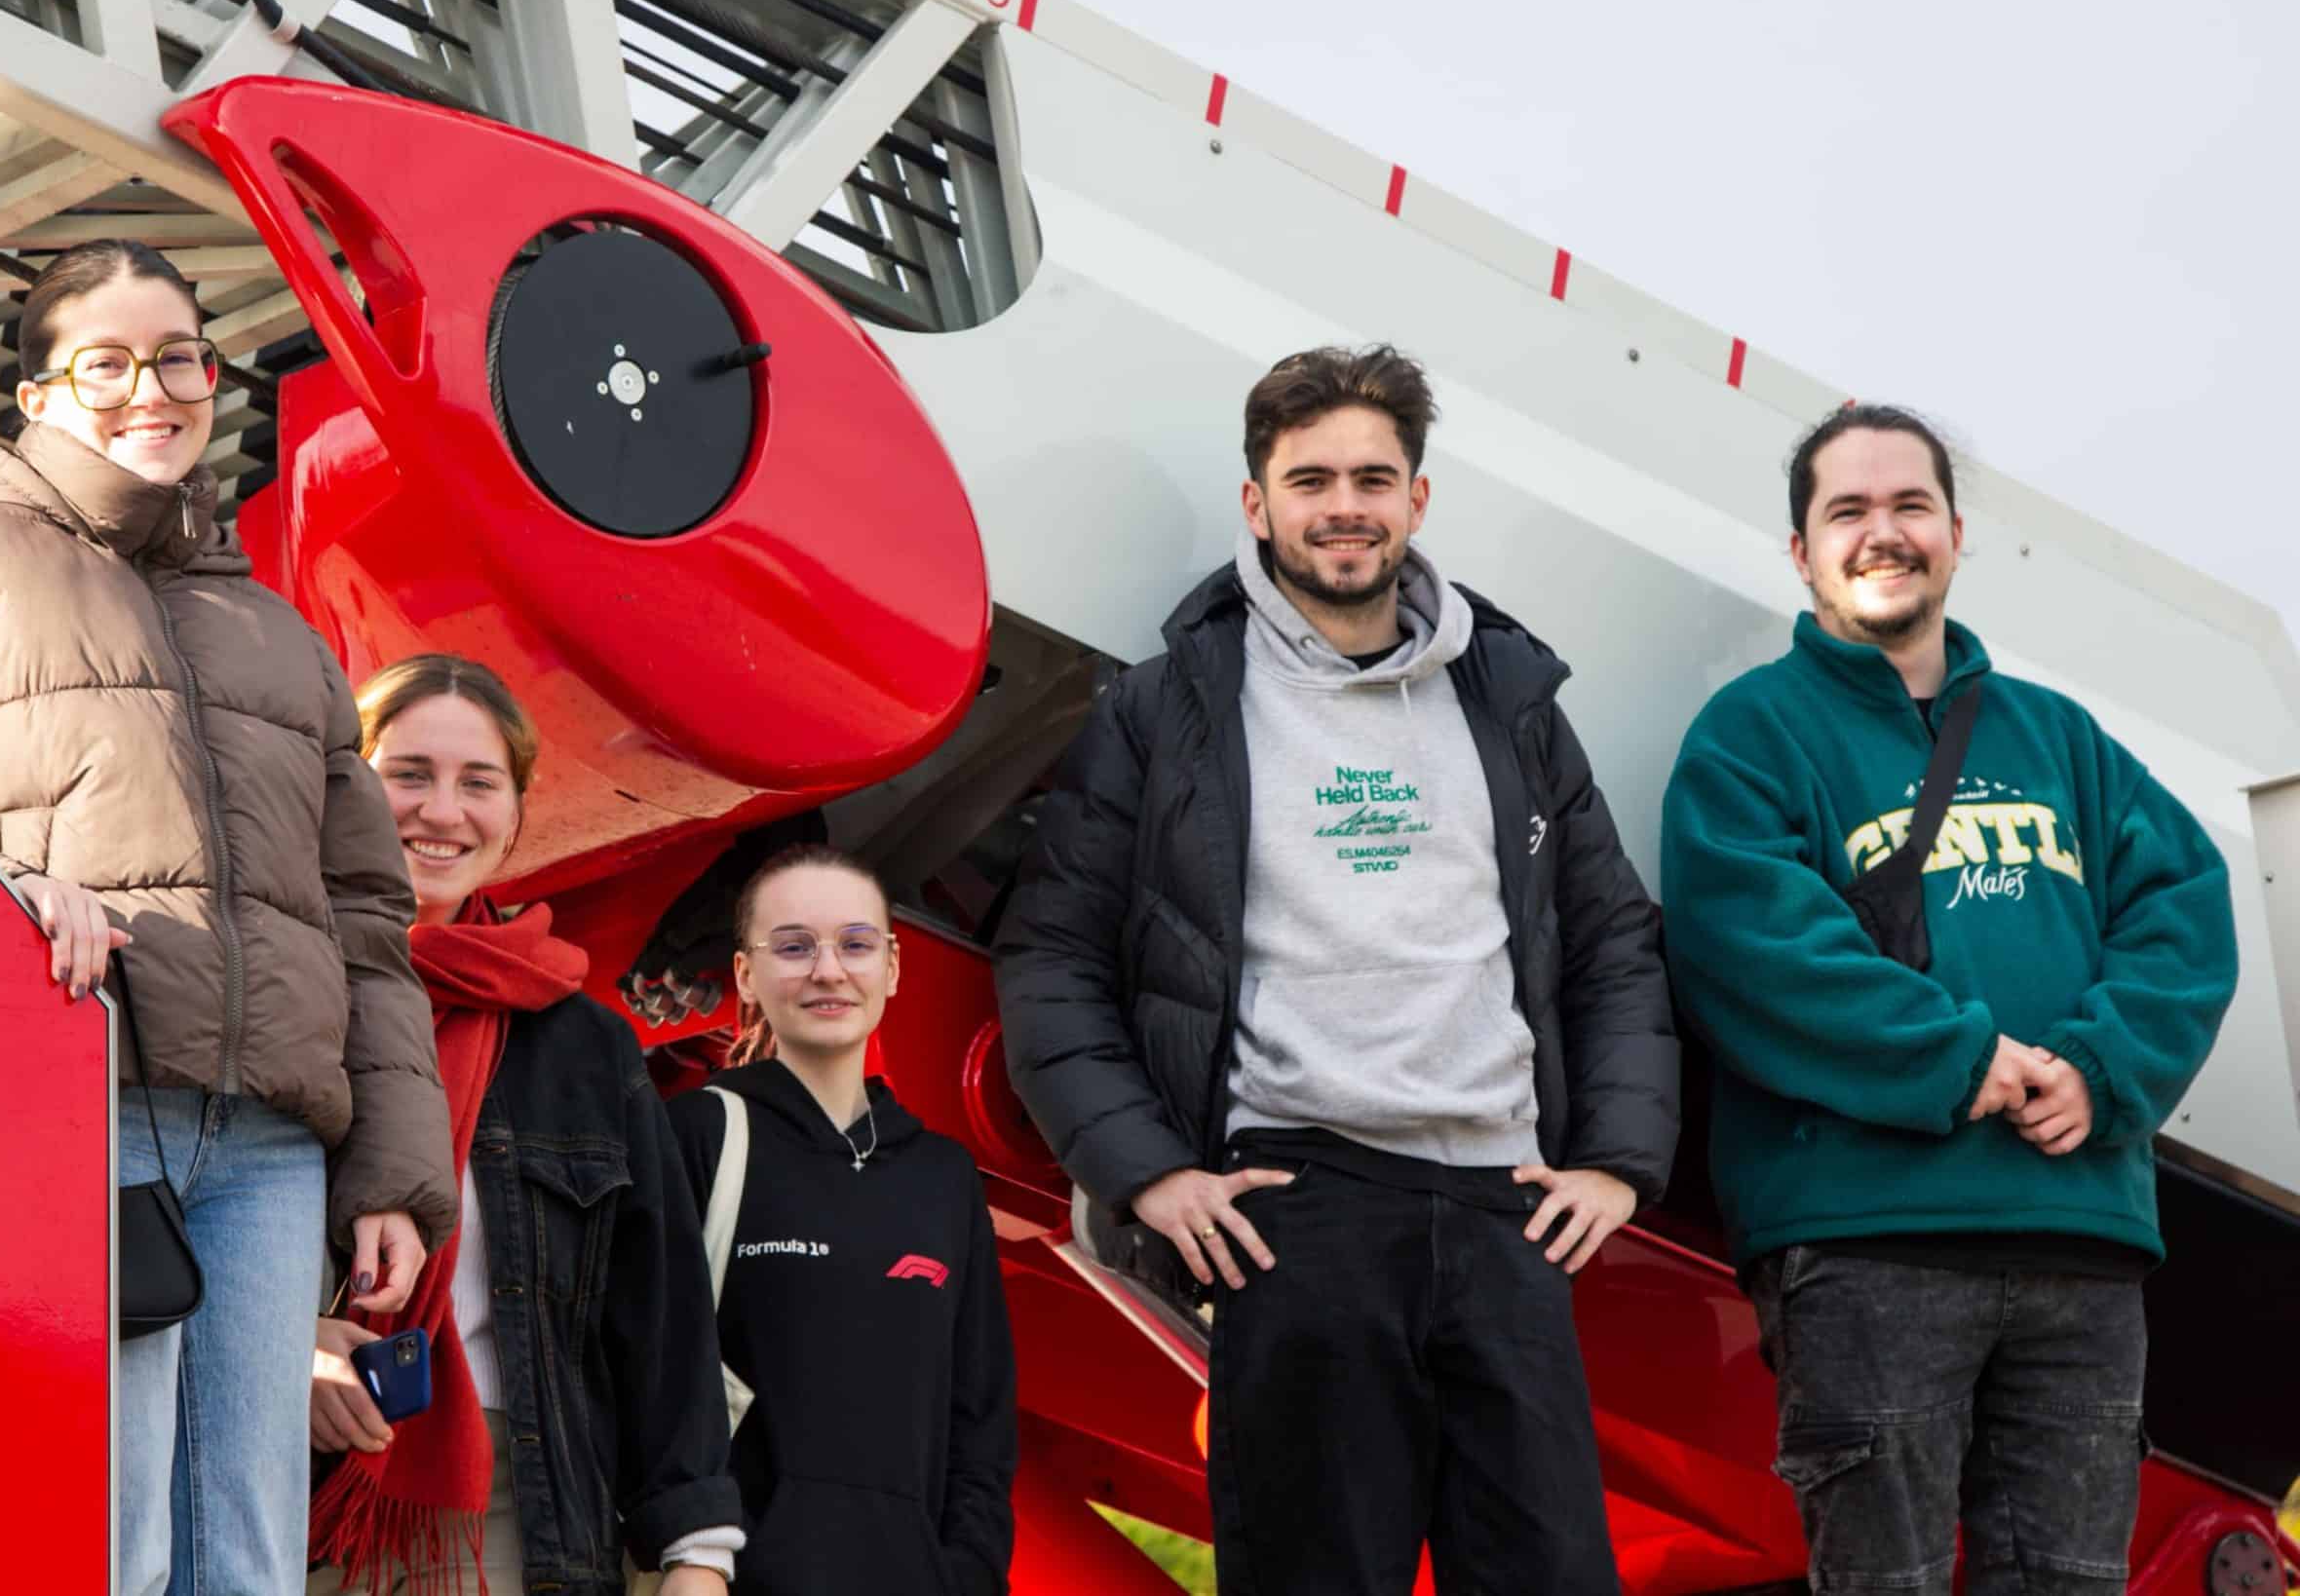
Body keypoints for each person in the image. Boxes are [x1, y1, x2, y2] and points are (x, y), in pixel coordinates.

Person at [0, 239, 458, 1594]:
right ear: (37, 392)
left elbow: (364, 916)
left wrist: (394, 1176)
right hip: (75, 1108)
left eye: (177, 358)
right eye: (103, 362)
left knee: (249, 1555)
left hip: (272, 1153)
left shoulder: (282, 633)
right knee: (103, 1536)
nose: (147, 388)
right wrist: (1, 892)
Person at [994, 345, 1679, 1595]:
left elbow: (1611, 941)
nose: (1344, 505)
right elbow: (1052, 954)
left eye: (1374, 476)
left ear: (1418, 501)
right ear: (1258, 507)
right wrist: (1145, 1174)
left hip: (1505, 1210)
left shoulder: (1512, 704)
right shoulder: (1164, 712)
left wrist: (1619, 1164)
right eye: (1311, 480)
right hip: (1292, 1210)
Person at [1659, 404, 2236, 1595]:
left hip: (2080, 1253)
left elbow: (2183, 906)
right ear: (1799, 549)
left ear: (1957, 535)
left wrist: (2100, 1067)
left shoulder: (2059, 738)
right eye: (1848, 511)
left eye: (1909, 505)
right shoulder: (1751, 737)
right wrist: (1953, 1057)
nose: (1884, 533)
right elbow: (1748, 945)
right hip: (1871, 1253)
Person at [307, 655, 743, 1595]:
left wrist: (697, 1549)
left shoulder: (583, 1043)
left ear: (515, 814)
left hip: (513, 1503)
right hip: (281, 1477)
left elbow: (660, 1309)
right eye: (409, 773)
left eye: (479, 783)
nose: (442, 811)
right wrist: (286, 1348)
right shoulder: (277, 994)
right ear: (348, 782)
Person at [666, 845, 1017, 1596]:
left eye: (855, 944)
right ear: (745, 977)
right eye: (793, 945)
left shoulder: (945, 1176)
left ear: (891, 966)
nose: (828, 969)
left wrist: (965, 1573)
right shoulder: (700, 1135)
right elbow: (647, 1373)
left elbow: (981, 1419)